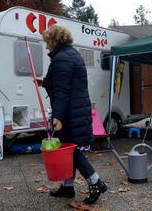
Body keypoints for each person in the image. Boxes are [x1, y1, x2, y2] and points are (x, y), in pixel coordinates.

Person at [36, 25, 107, 204]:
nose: (46, 47)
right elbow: (64, 83)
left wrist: (57, 117)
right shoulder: (72, 54)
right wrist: (44, 82)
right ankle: (68, 187)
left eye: (47, 42)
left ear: (54, 41)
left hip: (69, 114)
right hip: (76, 110)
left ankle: (96, 181)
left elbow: (63, 91)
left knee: (71, 151)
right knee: (68, 149)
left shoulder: (61, 59)